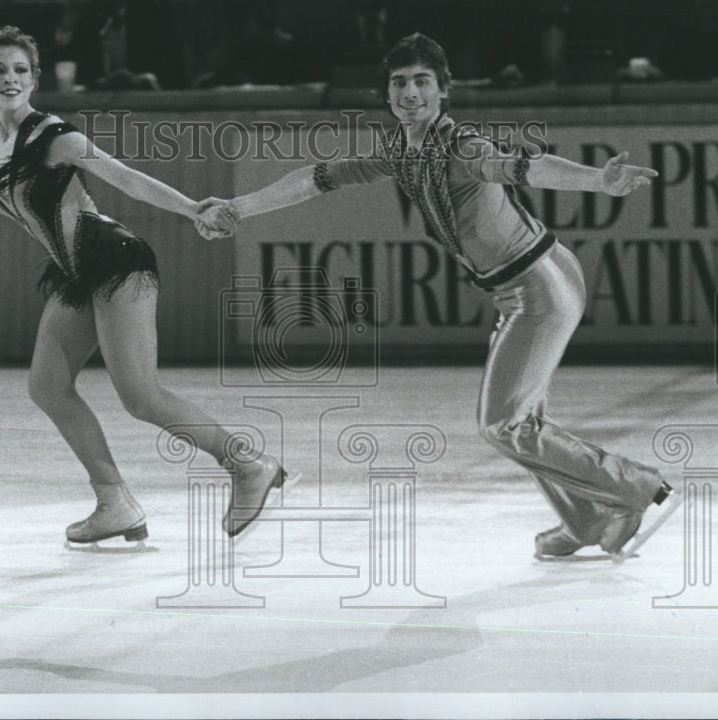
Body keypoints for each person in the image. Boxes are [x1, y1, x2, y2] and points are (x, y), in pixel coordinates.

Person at [197, 33, 676, 561]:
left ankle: (632, 488)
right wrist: (240, 207)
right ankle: (586, 520)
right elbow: (314, 179)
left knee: (504, 425)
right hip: (526, 284)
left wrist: (597, 182)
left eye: (423, 81)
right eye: (399, 82)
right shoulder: (402, 153)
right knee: (520, 420)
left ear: (443, 92)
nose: (410, 92)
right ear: (386, 93)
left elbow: (519, 166)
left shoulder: (459, 147)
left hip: (540, 285)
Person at [0, 26, 287, 545]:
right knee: (47, 386)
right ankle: (114, 502)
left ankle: (248, 464)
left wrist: (192, 209)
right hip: (75, 274)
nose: (10, 79)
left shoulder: (56, 136)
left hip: (116, 261)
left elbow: (125, 177)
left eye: (21, 70)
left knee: (140, 395)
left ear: (35, 79)